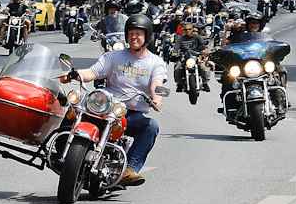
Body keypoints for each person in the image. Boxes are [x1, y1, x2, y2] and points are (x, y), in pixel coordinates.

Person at [60, 13, 167, 187]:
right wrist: (74, 74)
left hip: (130, 113)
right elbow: (93, 72)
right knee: (74, 110)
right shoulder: (114, 56)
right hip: (106, 105)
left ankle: (129, 170)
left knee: (151, 127)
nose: (134, 37)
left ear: (146, 36)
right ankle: (60, 148)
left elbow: (157, 84)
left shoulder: (155, 62)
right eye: (131, 33)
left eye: (139, 34)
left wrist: (156, 97)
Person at [171, 22, 211, 92]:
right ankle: (179, 84)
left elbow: (203, 45)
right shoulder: (181, 39)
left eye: (189, 29)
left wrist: (206, 50)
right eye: (186, 30)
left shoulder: (197, 37)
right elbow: (176, 47)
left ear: (192, 30)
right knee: (177, 69)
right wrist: (174, 52)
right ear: (184, 30)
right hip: (185, 57)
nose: (188, 31)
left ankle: (205, 84)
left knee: (204, 68)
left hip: (196, 57)